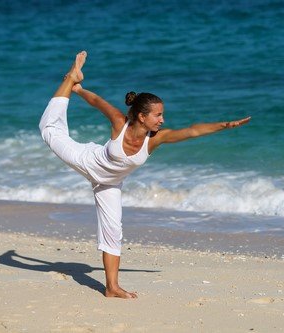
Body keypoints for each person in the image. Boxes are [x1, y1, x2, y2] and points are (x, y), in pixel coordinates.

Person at [39, 51, 250, 299]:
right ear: (142, 116)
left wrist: (223, 125)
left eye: (162, 115)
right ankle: (68, 79)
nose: (162, 119)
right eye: (158, 115)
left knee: (113, 230)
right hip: (88, 161)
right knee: (49, 130)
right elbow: (97, 101)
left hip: (110, 183)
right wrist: (77, 89)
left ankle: (111, 288)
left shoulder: (155, 140)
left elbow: (191, 131)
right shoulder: (120, 122)